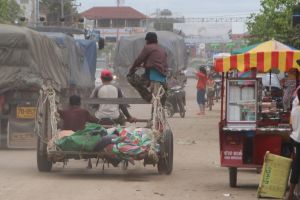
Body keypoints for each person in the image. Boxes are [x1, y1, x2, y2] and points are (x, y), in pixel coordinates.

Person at [58, 95, 97, 169]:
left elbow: (57, 112)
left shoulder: (64, 112)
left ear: (69, 103)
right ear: (80, 103)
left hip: (66, 139)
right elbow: (94, 121)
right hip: (80, 139)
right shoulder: (84, 112)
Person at [127, 32, 168, 104]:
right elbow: (158, 61)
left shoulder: (148, 47)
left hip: (151, 75)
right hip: (163, 75)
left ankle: (149, 97)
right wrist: (145, 65)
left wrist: (131, 70)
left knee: (131, 78)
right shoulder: (161, 48)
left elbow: (139, 60)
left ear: (148, 40)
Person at [287, 89, 300, 200]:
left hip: (295, 139)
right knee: (296, 167)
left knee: (296, 166)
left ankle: (292, 193)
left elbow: (292, 126)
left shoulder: (295, 110)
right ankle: (291, 194)